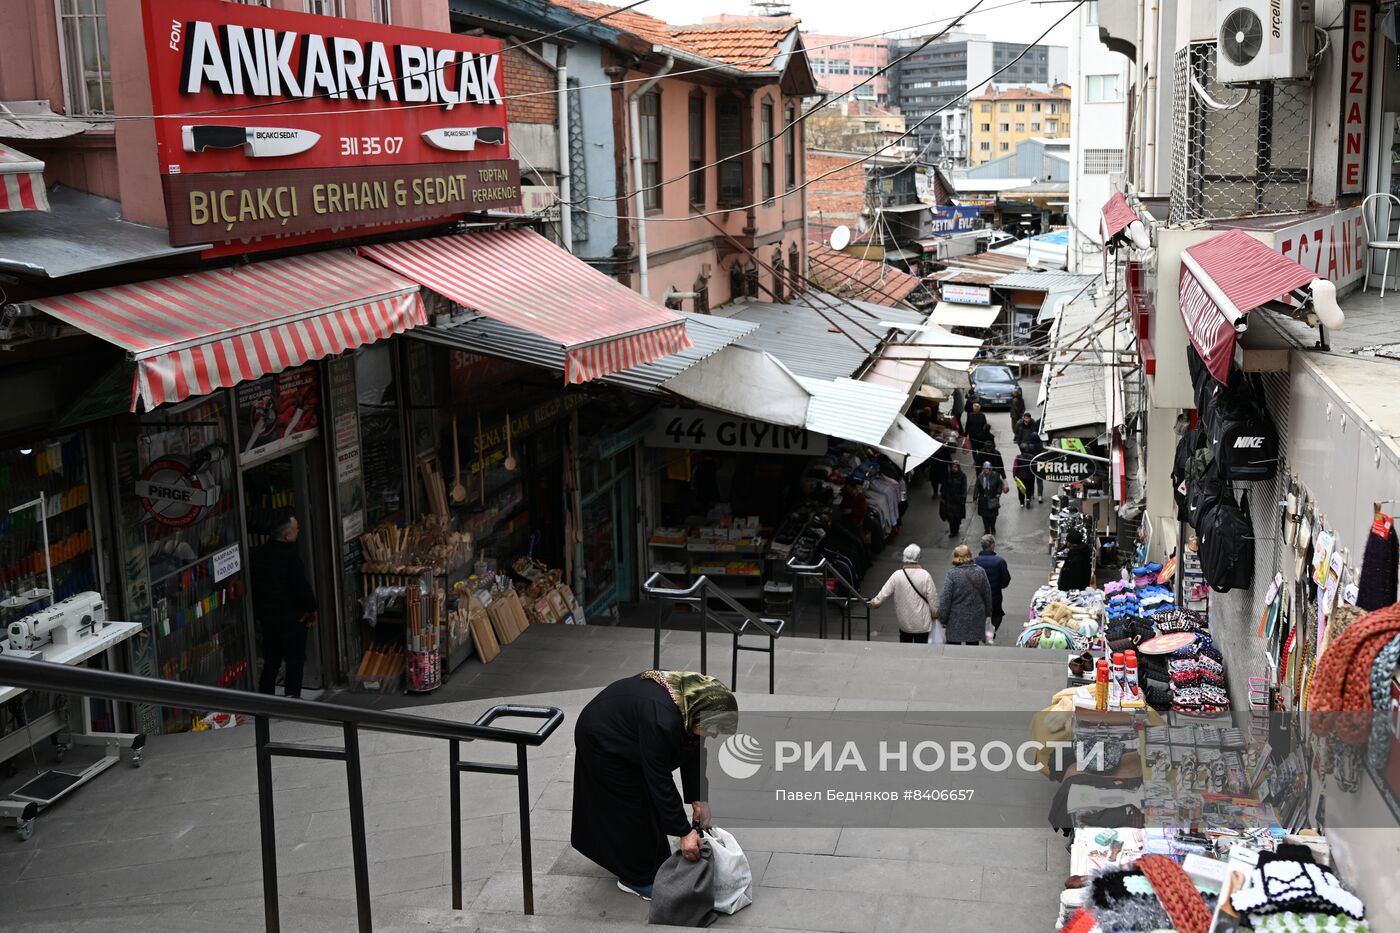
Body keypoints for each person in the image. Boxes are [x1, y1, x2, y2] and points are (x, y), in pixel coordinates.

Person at [572, 671, 739, 900]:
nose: (715, 735)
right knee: (633, 807)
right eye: (713, 729)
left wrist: (699, 799)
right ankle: (635, 879)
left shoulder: (691, 704)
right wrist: (683, 831)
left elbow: (694, 750)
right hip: (602, 739)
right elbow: (659, 779)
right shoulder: (663, 721)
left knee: (649, 806)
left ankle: (641, 862)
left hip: (629, 729)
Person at [250, 509, 317, 698]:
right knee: (294, 661)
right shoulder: (290, 558)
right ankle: (292, 700)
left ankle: (266, 699)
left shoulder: (258, 554)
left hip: (268, 617)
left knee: (272, 660)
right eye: (296, 530)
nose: (298, 532)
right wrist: (312, 609)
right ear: (287, 535)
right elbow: (301, 587)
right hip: (291, 617)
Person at [868, 544, 939, 643]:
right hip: (922, 623)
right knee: (921, 650)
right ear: (918, 558)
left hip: (904, 622)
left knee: (905, 647)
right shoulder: (925, 575)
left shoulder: (897, 575)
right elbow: (933, 597)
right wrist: (935, 613)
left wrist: (875, 602)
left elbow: (884, 593)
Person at [939, 545, 993, 645]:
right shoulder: (980, 571)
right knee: (972, 646)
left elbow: (946, 598)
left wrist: (943, 618)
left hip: (956, 619)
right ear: (970, 556)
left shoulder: (952, 574)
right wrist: (988, 614)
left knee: (953, 648)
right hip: (976, 617)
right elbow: (987, 595)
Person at [974, 535, 1012, 642]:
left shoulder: (975, 561)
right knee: (996, 615)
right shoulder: (1000, 561)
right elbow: (1005, 581)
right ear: (992, 546)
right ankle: (990, 632)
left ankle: (981, 632)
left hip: (978, 596)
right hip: (994, 596)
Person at [1016, 412, 1046, 503]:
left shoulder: (1029, 448)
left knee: (1031, 479)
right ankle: (1040, 496)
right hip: (1040, 464)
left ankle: (1032, 494)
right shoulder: (1042, 446)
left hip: (1031, 463)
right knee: (1040, 480)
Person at [974, 461, 1006, 535]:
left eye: (987, 469)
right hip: (983, 499)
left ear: (990, 469)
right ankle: (987, 529)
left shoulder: (995, 475)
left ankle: (992, 526)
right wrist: (975, 497)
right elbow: (977, 487)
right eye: (984, 469)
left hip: (993, 499)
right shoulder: (980, 476)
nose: (986, 470)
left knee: (993, 516)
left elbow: (1000, 484)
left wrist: (998, 493)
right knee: (984, 516)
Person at [941, 459, 968, 538]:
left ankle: (956, 529)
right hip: (949, 499)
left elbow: (964, 487)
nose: (954, 468)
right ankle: (952, 531)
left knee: (957, 516)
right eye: (953, 467)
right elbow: (944, 485)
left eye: (955, 467)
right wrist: (943, 495)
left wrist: (963, 498)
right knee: (950, 516)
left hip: (958, 500)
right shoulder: (948, 475)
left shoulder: (962, 475)